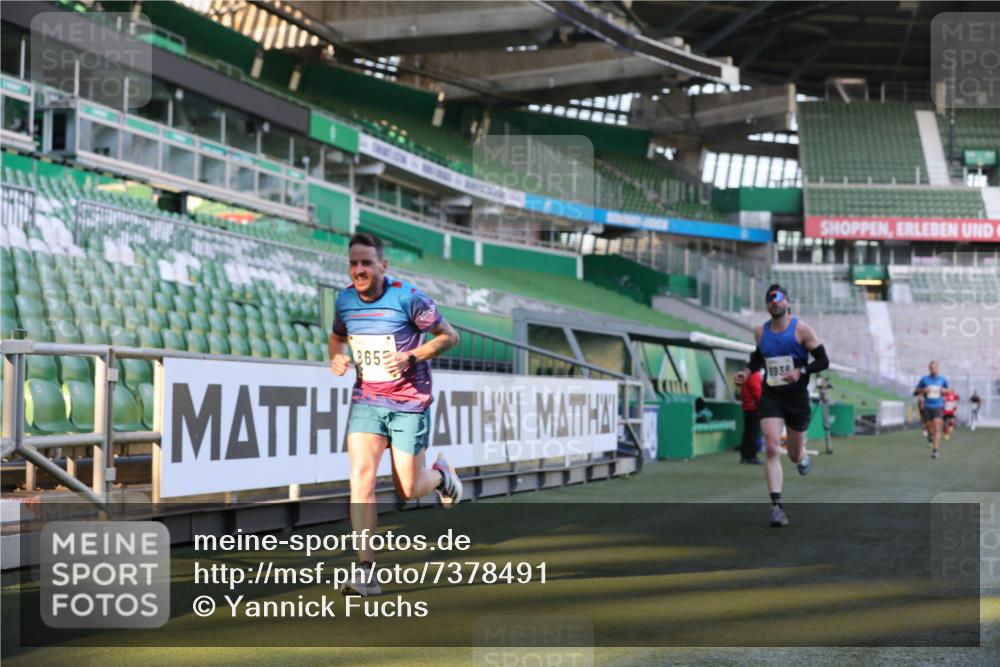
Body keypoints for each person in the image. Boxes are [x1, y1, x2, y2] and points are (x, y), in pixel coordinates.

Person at [330, 233, 463, 596]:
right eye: (354, 263)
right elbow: (338, 336)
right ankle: (364, 571)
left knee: (407, 490)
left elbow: (450, 337)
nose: (359, 269)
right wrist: (338, 356)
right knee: (360, 478)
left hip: (409, 403)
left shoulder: (407, 297)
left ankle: (440, 476)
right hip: (368, 400)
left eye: (367, 263)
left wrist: (412, 356)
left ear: (382, 266)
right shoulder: (343, 300)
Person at [734, 284, 829, 528]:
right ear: (767, 305)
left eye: (778, 298)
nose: (774, 302)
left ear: (787, 302)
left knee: (795, 455)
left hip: (797, 398)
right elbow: (758, 358)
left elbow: (823, 360)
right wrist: (746, 372)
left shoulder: (801, 329)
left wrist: (802, 370)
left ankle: (803, 455)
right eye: (769, 299)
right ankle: (776, 506)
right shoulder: (760, 332)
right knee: (773, 447)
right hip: (771, 396)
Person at [914, 361, 949, 460]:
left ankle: (935, 451)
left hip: (938, 406)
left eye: (935, 368)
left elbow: (947, 390)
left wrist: (944, 391)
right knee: (930, 427)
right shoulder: (924, 380)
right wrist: (923, 390)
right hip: (927, 406)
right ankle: (930, 435)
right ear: (929, 369)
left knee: (937, 427)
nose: (933, 370)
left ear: (938, 368)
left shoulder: (942, 379)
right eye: (932, 368)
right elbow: (915, 391)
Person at [738, 368, 764, 465]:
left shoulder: (746, 374)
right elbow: (757, 391)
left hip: (747, 407)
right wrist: (762, 403)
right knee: (753, 433)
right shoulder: (755, 375)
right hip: (754, 408)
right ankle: (751, 456)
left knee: (748, 432)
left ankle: (745, 456)